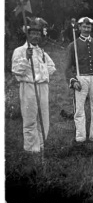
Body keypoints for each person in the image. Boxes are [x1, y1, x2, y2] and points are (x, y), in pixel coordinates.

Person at [11, 18, 56, 153]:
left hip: (42, 87)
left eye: (38, 34)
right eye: (33, 33)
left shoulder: (41, 51)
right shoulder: (19, 51)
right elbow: (16, 70)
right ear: (28, 34)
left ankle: (41, 145)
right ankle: (31, 150)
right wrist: (26, 58)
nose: (36, 36)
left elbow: (52, 67)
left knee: (43, 119)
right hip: (29, 87)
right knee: (30, 119)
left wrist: (42, 76)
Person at [65, 17, 93, 143]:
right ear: (79, 28)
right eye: (84, 27)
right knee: (79, 109)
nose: (86, 29)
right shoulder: (73, 45)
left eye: (88, 27)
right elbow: (68, 68)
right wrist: (73, 81)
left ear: (92, 28)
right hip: (81, 78)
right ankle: (80, 137)